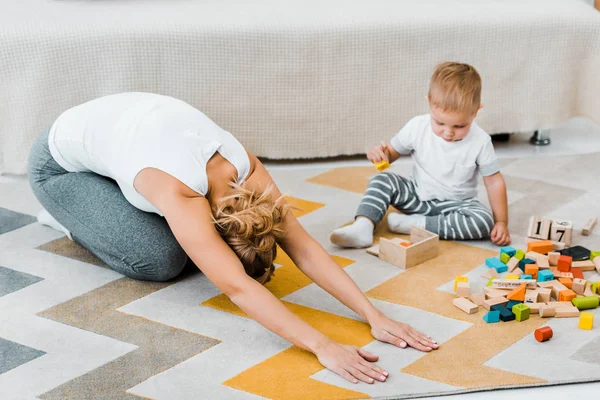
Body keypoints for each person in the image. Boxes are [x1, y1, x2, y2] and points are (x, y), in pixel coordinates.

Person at [28, 92, 438, 385]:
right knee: (161, 259)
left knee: (184, 247)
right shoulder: (182, 193)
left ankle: (110, 202)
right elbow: (236, 286)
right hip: (58, 167)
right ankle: (71, 216)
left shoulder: (246, 167)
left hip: (122, 138)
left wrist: (374, 315)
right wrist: (322, 346)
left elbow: (304, 247)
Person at [330, 62, 511, 249]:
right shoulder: (417, 126)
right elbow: (392, 153)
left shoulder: (480, 141)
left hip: (456, 206)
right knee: (382, 180)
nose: (448, 133)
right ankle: (362, 226)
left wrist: (501, 222)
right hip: (417, 196)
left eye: (459, 126)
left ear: (476, 112)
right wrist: (380, 154)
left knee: (482, 221)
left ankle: (415, 224)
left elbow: (494, 182)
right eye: (439, 123)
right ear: (429, 103)